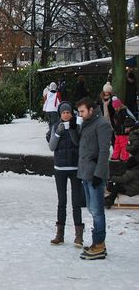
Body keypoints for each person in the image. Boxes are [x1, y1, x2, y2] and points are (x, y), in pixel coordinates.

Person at [76, 97, 112, 260]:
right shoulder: (87, 122)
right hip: (86, 173)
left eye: (82, 111)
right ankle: (97, 243)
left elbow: (105, 151)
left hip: (95, 174)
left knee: (97, 211)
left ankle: (99, 244)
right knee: (91, 208)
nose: (80, 114)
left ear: (91, 109)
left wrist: (99, 173)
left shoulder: (102, 124)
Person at [48, 102, 84, 247]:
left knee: (76, 202)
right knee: (61, 201)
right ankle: (59, 234)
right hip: (60, 168)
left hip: (75, 167)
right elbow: (51, 146)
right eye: (63, 112)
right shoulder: (55, 126)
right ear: (60, 114)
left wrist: (72, 130)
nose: (66, 114)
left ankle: (79, 235)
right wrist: (58, 133)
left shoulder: (77, 126)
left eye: (68, 112)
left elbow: (78, 144)